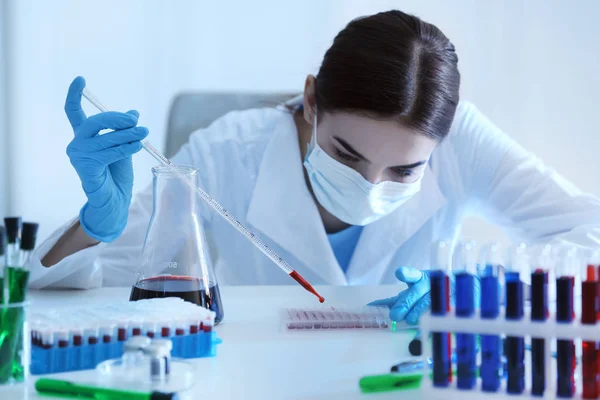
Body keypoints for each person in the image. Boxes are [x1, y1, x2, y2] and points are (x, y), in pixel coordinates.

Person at [31, 10, 600, 325]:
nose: (369, 188)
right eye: (346, 155)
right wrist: (94, 227)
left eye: (404, 171)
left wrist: (486, 290)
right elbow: (112, 289)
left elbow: (591, 237)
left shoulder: (461, 139)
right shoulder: (227, 150)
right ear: (310, 100)